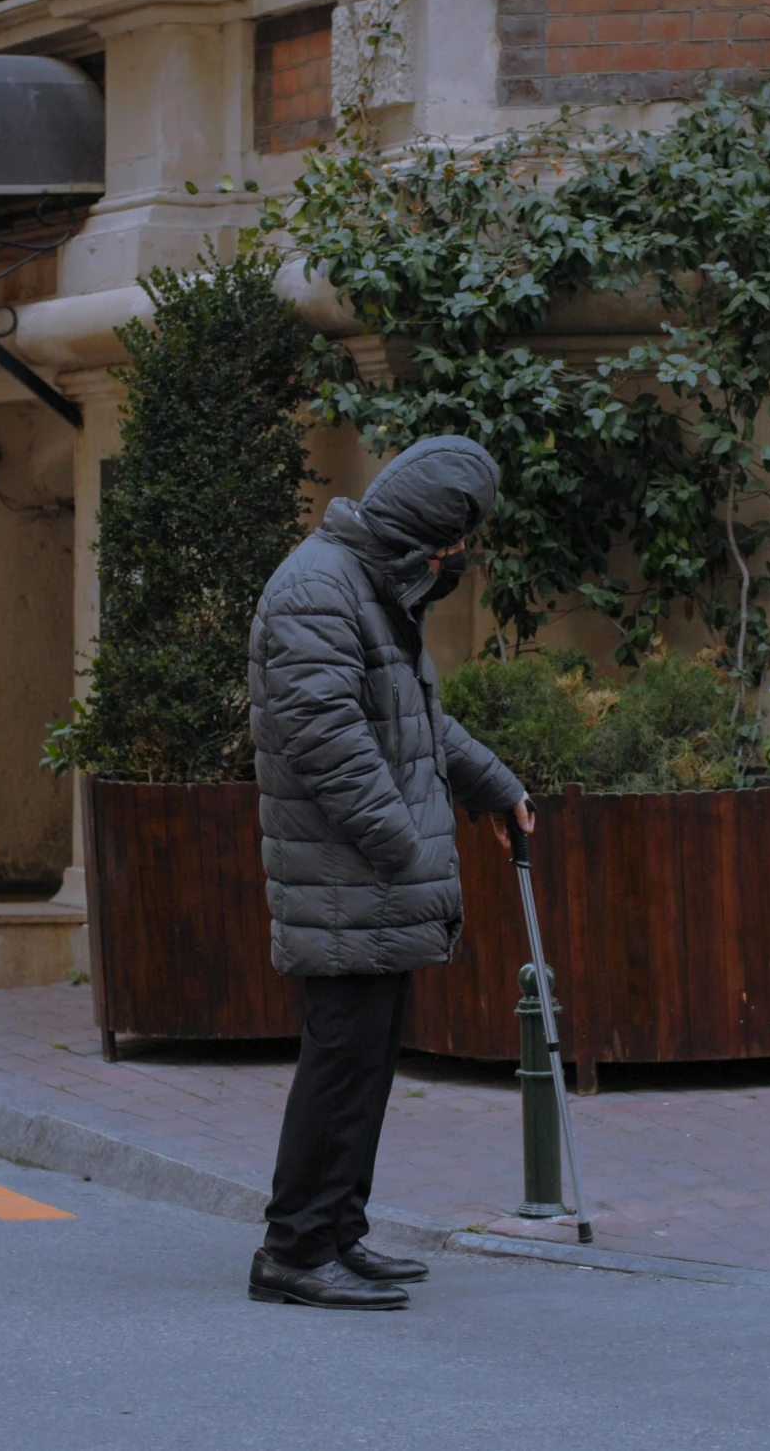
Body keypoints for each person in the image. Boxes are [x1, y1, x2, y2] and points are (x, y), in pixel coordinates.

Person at [245, 436, 533, 1310]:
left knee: (363, 1062)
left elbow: (415, 725)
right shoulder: (317, 590)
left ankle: (338, 1233)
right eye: (453, 548)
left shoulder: (366, 586)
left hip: (366, 874)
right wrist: (405, 847)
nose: (455, 563)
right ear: (421, 535)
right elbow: (327, 741)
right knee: (340, 1061)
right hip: (348, 874)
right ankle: (294, 1248)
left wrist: (496, 788)